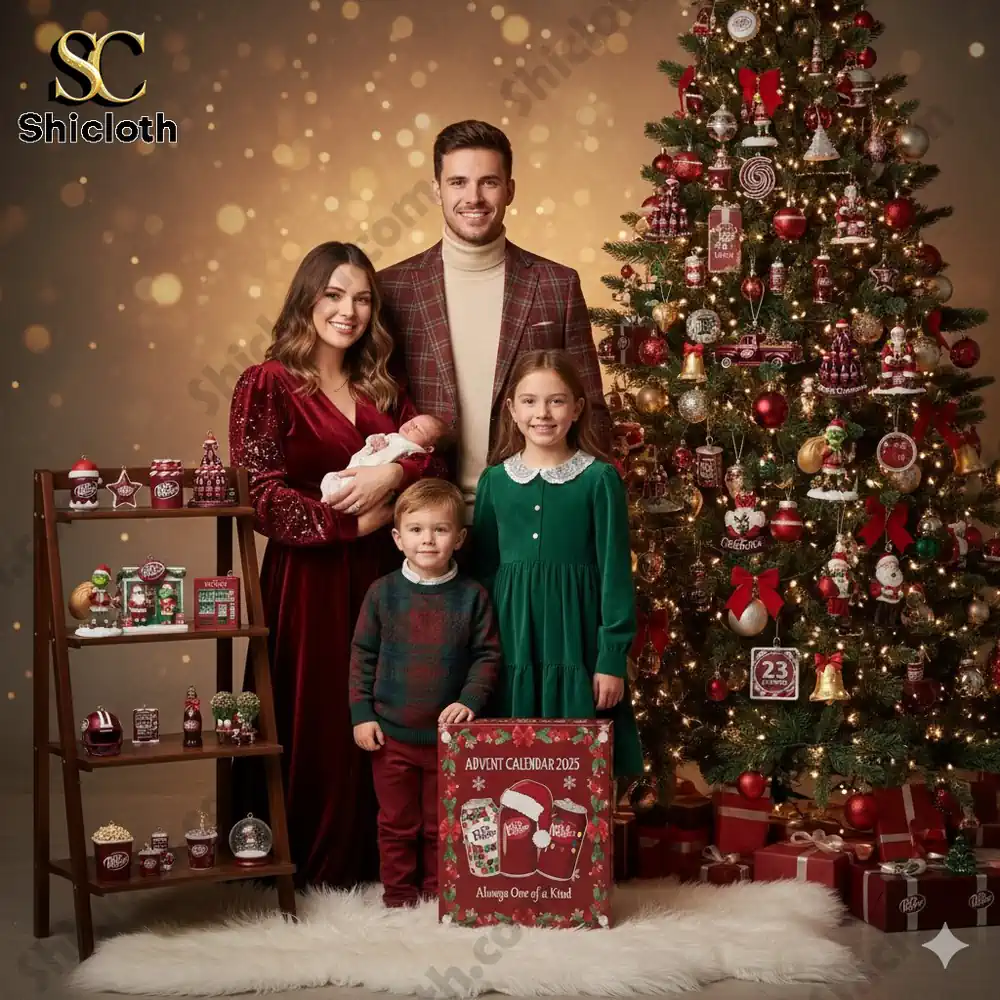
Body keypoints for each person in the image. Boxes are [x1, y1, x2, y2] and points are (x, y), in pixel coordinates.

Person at [229, 241, 445, 888]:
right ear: (307, 298)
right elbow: (259, 495)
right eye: (333, 295)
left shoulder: (382, 387)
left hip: (384, 576)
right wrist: (351, 521)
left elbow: (422, 453)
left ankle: (386, 866)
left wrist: (389, 473)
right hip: (308, 580)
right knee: (319, 717)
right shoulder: (265, 383)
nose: (347, 311)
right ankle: (309, 865)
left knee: (385, 707)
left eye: (361, 299)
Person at [378, 120, 610, 521]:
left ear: (510, 190)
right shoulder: (393, 288)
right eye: (458, 183)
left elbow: (592, 413)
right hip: (423, 526)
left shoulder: (556, 284)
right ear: (436, 190)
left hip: (533, 521)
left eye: (488, 182)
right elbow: (374, 408)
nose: (474, 197)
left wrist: (582, 514)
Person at [472, 349, 643, 777]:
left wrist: (610, 658)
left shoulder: (599, 479)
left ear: (577, 408)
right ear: (512, 409)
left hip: (577, 641)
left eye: (557, 400)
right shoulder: (494, 481)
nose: (542, 413)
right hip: (512, 642)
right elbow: (482, 573)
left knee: (578, 768)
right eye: (529, 401)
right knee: (510, 767)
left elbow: (615, 575)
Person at [349, 478, 501, 907]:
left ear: (459, 537)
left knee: (443, 823)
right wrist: (362, 713)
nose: (428, 539)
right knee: (396, 823)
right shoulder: (382, 593)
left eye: (440, 529)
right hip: (390, 736)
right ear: (398, 539)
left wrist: (468, 701)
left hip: (448, 740)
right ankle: (398, 897)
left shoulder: (472, 596)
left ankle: (438, 893)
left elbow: (487, 658)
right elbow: (362, 655)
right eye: (416, 530)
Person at [320, 413, 446, 501]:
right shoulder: (392, 437)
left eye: (419, 429)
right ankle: (328, 501)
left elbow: (422, 466)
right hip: (353, 470)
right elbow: (372, 441)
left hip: (372, 484)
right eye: (412, 422)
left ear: (428, 449)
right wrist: (375, 442)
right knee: (329, 478)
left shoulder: (414, 450)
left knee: (354, 498)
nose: (411, 426)